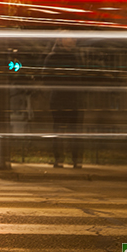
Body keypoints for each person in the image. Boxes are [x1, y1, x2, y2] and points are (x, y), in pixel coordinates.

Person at [44, 37, 84, 169]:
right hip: (61, 97)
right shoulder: (54, 57)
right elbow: (46, 78)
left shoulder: (77, 56)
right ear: (61, 41)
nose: (73, 41)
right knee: (62, 130)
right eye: (70, 39)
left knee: (74, 131)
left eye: (73, 39)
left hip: (72, 97)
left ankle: (75, 159)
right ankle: (62, 159)